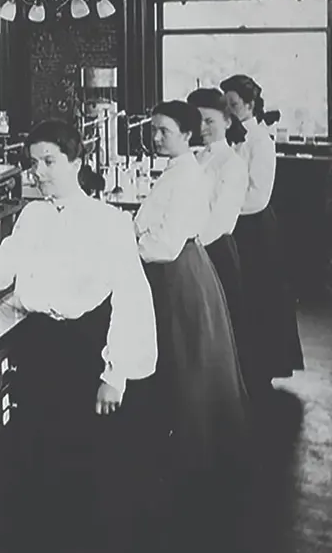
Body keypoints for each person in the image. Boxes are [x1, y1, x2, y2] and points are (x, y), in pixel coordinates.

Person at [0, 119, 158, 553]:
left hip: (85, 348)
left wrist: (115, 374)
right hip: (38, 344)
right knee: (40, 452)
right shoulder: (32, 216)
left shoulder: (109, 221)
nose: (38, 172)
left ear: (76, 162)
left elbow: (132, 299)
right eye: (33, 163)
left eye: (49, 161)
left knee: (85, 456)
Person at [136, 101, 251, 548]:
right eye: (153, 130)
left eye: (163, 131)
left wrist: (130, 242)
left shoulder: (186, 177)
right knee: (184, 364)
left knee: (187, 363)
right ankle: (181, 454)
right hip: (177, 270)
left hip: (178, 274)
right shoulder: (178, 170)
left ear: (187, 135)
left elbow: (165, 243)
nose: (155, 138)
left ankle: (188, 462)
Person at [220, 74, 304, 392]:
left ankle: (261, 371)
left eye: (234, 104)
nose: (229, 110)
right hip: (236, 226)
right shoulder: (231, 137)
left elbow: (258, 197)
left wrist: (223, 208)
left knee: (259, 299)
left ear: (250, 105)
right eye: (226, 105)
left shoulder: (261, 142)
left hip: (254, 229)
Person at [188, 88, 255, 395]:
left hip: (214, 251)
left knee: (221, 335)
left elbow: (220, 220)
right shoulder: (197, 157)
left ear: (228, 121)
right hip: (194, 251)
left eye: (209, 121)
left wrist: (190, 244)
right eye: (197, 120)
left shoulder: (232, 164)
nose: (202, 128)